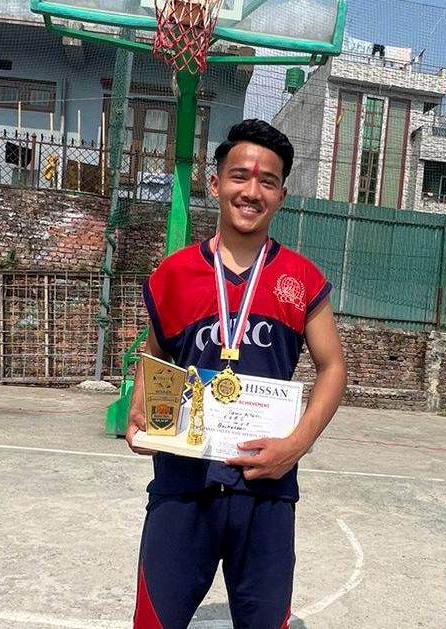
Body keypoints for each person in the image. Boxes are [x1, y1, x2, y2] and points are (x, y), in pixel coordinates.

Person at [126, 119, 347, 629]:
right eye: (239, 176)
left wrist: (297, 445)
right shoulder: (174, 274)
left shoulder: (301, 279)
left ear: (282, 196)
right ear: (216, 183)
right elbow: (156, 355)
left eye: (267, 181)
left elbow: (333, 366)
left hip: (266, 489)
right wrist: (142, 406)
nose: (252, 191)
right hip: (183, 484)